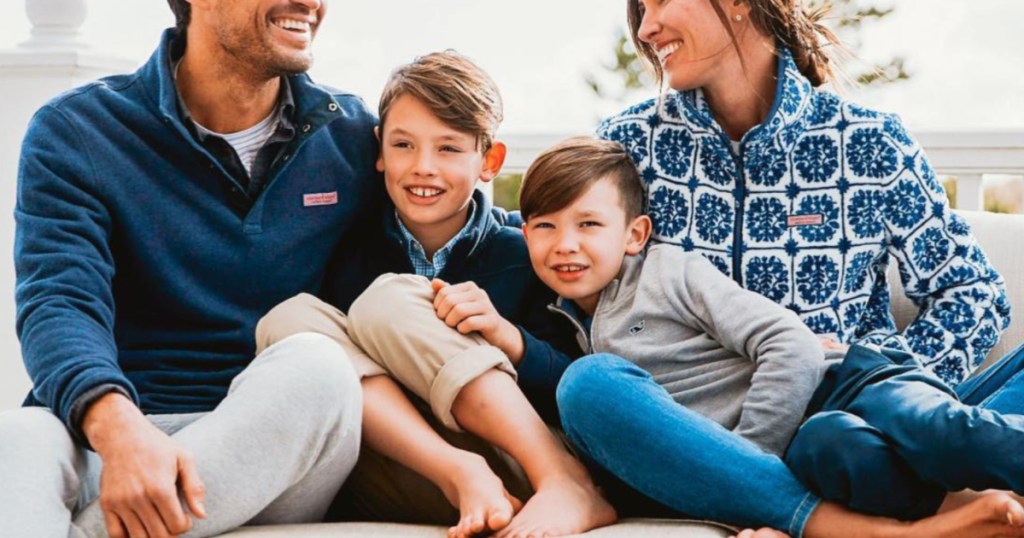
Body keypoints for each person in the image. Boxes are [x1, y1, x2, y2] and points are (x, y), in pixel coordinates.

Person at [594, 0, 1024, 525]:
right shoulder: (630, 147)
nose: (645, 27)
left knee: (877, 429)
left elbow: (972, 293)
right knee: (830, 441)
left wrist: (893, 389)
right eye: (639, 9)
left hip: (867, 411)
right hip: (762, 446)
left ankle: (955, 472)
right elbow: (558, 246)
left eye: (660, 0)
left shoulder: (867, 141)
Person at [0, 0, 382, 536]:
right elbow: (59, 302)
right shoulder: (78, 132)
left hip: (272, 442)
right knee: (16, 437)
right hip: (114, 429)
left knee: (320, 366)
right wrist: (121, 432)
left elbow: (446, 221)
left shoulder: (352, 137)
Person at [519, 136, 1024, 538]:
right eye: (546, 225)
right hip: (818, 441)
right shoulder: (560, 322)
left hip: (846, 383)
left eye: (589, 224)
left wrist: (747, 461)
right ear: (525, 235)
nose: (566, 244)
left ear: (634, 234)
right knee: (841, 448)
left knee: (943, 431)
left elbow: (792, 345)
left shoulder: (669, 273)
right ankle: (971, 511)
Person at [255, 51, 615, 538]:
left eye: (448, 149)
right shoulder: (348, 252)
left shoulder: (525, 253)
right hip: (420, 470)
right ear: (380, 150)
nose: (424, 168)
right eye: (405, 145)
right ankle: (462, 474)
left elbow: (580, 386)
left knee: (388, 301)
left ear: (490, 161)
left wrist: (512, 341)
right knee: (287, 321)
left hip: (518, 463)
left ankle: (564, 482)